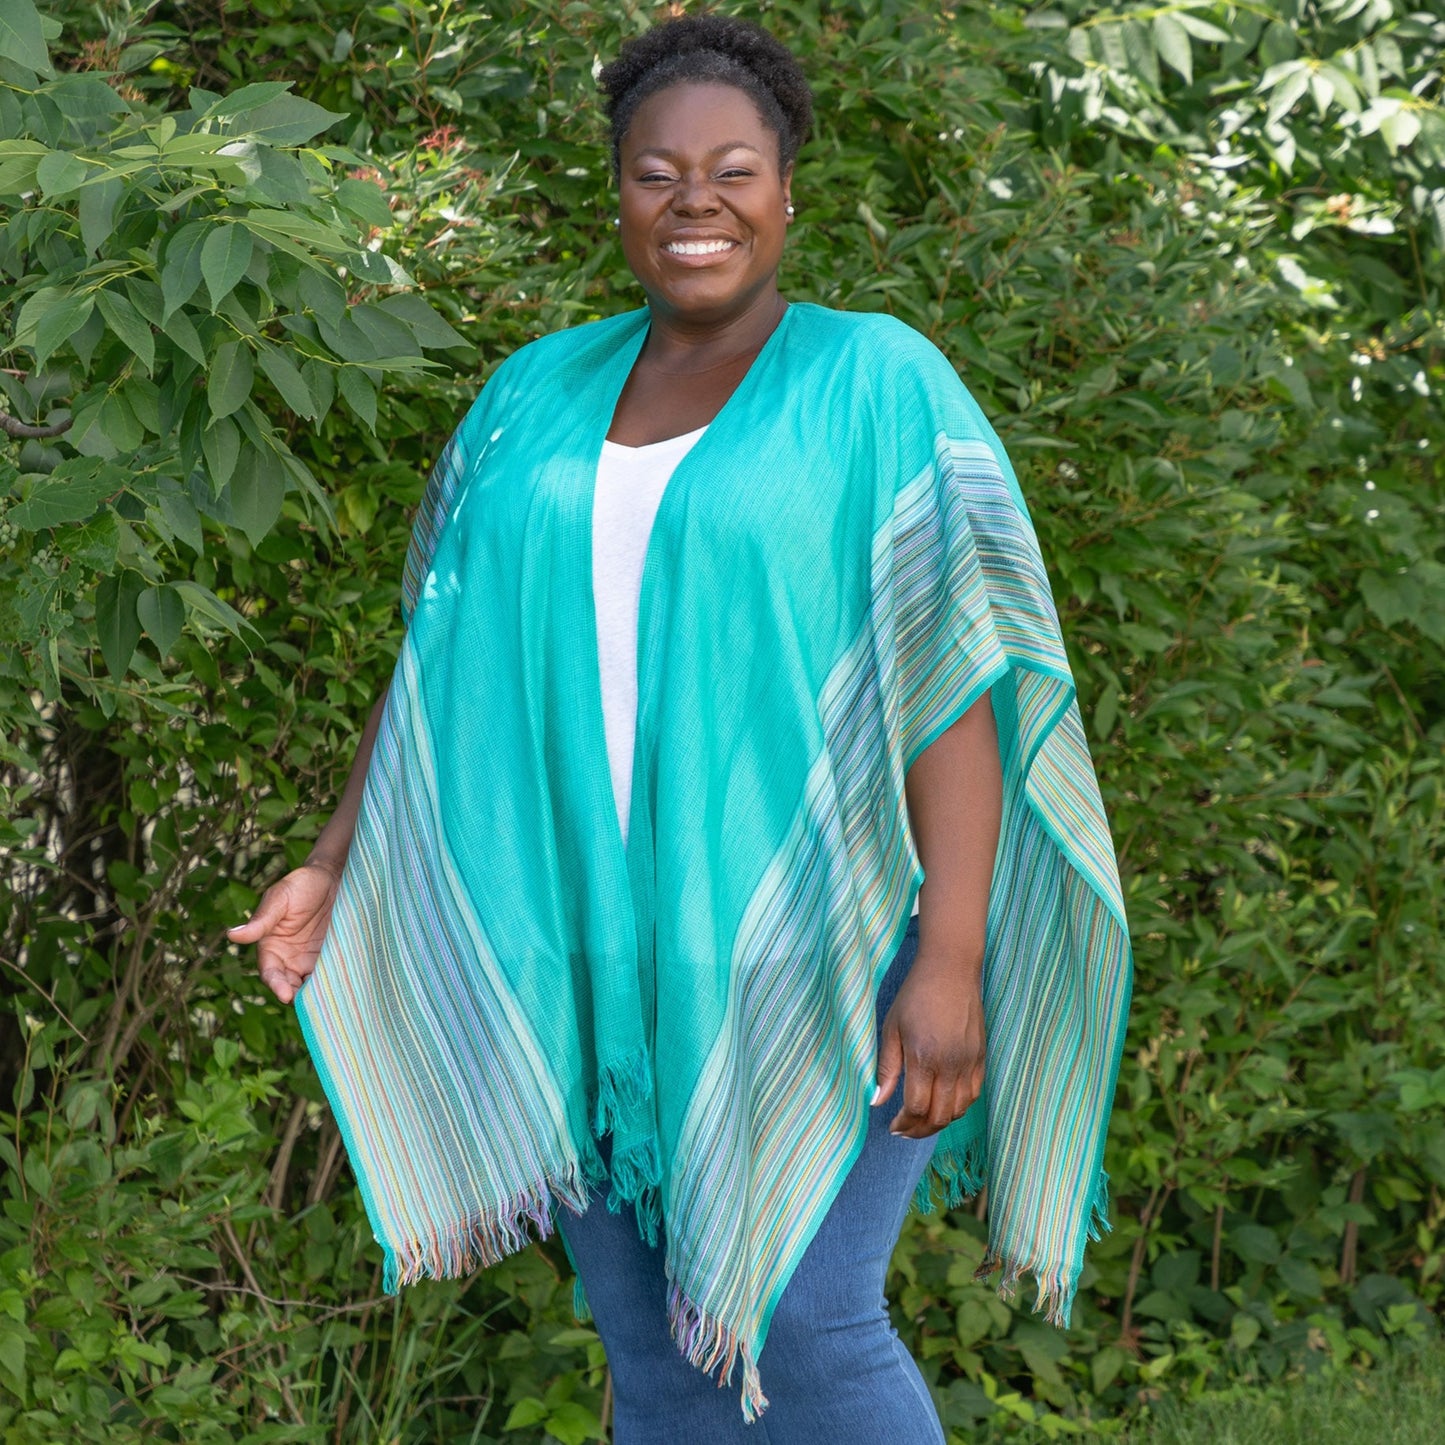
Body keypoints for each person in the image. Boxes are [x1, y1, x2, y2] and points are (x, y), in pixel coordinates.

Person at [229, 13, 1133, 1443]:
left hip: (821, 940)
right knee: (652, 1352)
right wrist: (337, 863)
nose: (694, 200)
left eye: (732, 170)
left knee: (808, 1324)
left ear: (787, 190)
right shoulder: (530, 396)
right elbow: (441, 658)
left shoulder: (875, 380)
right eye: (657, 173)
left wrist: (952, 955)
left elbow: (955, 672)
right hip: (585, 946)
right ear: (618, 195)